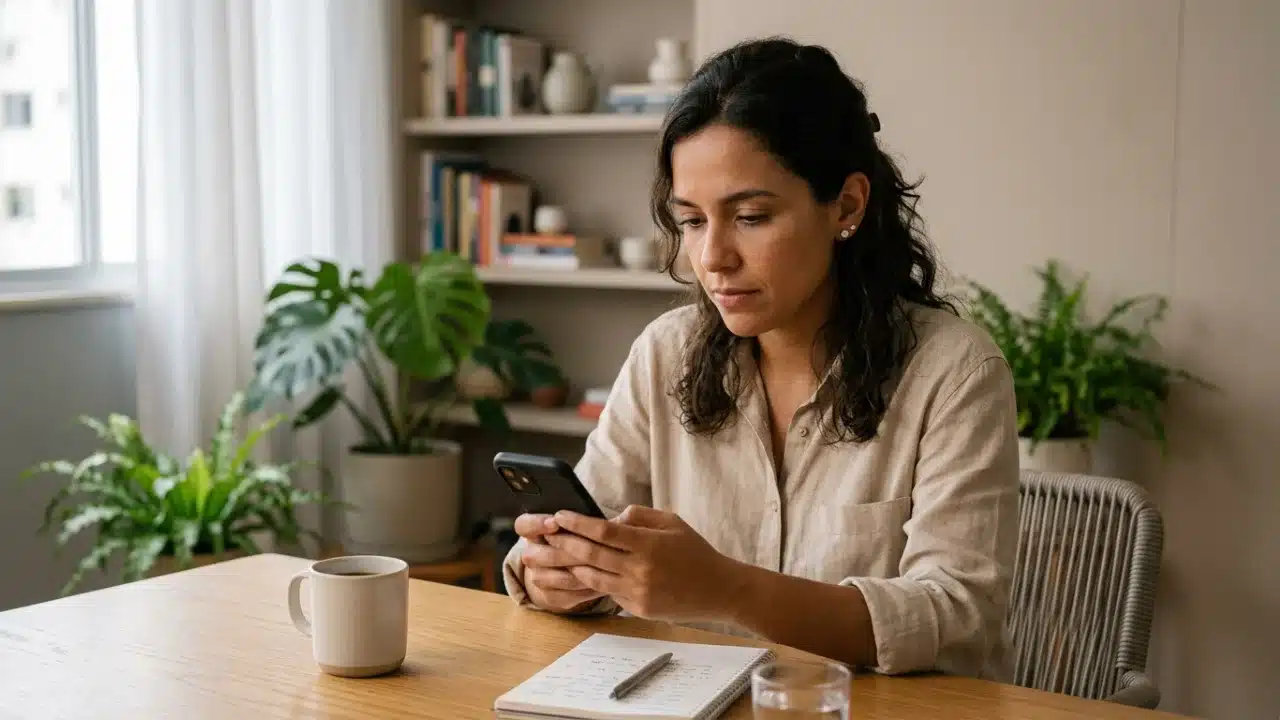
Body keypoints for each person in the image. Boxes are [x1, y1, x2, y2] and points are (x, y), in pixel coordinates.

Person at [500, 37, 1020, 681]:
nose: (712, 257)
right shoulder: (665, 354)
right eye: (690, 221)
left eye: (750, 216)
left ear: (847, 206)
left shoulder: (954, 373)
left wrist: (727, 589)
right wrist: (556, 572)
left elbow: (954, 616)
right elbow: (582, 528)